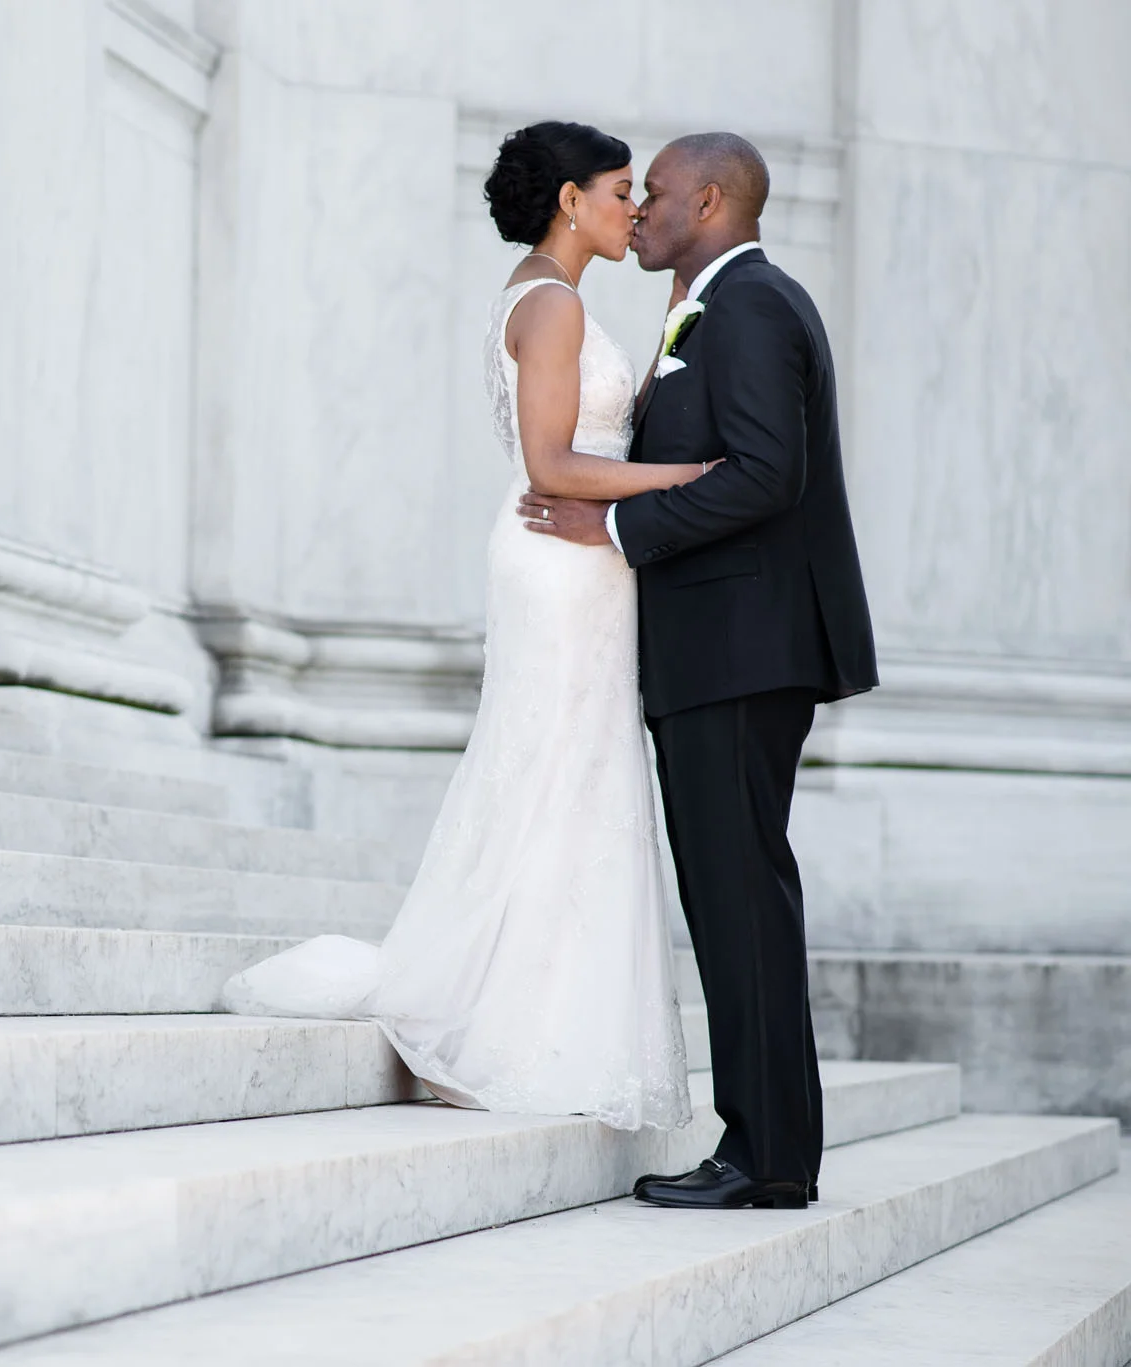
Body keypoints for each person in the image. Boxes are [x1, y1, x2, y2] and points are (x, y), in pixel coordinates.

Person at [222, 121, 711, 1133]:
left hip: (585, 559)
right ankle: (486, 1019)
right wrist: (689, 478)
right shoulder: (548, 304)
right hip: (559, 558)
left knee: (574, 775)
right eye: (619, 188)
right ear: (569, 199)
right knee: (548, 770)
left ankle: (539, 1014)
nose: (632, 207)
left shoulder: (555, 296)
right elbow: (549, 464)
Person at [519, 132, 878, 1209]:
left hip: (740, 649)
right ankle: (765, 1146)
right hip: (720, 650)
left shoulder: (753, 305)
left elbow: (768, 473)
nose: (638, 213)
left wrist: (616, 529)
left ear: (710, 200)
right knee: (733, 899)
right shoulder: (716, 306)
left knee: (738, 901)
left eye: (657, 195)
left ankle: (761, 1154)